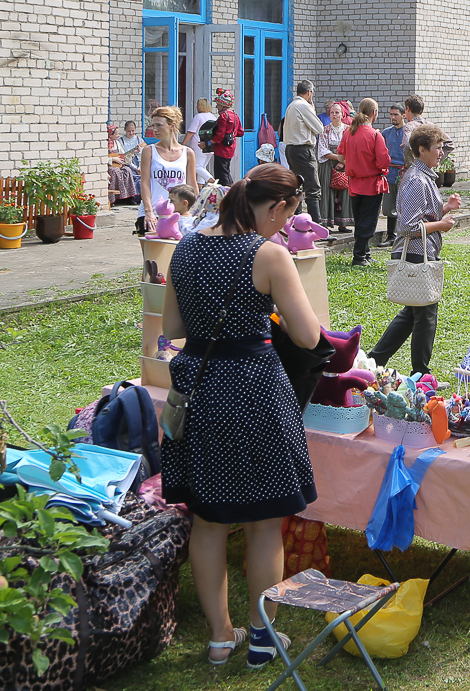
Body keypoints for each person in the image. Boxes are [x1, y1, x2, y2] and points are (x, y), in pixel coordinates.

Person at [158, 163, 323, 669]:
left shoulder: (186, 247)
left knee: (208, 520)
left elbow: (172, 326)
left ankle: (218, 637)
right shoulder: (268, 254)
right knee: (263, 523)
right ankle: (262, 637)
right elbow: (309, 336)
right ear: (277, 207)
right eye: (289, 215)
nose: (287, 224)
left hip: (199, 387)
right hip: (253, 389)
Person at [368, 124, 462, 375]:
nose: (441, 153)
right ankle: (421, 374)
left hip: (421, 252)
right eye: (437, 148)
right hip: (415, 253)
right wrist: (441, 225)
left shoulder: (424, 175)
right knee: (426, 315)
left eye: (441, 148)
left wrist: (445, 208)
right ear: (421, 150)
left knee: (412, 314)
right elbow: (408, 226)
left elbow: (422, 215)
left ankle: (374, 361)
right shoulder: (416, 179)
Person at [339, 98, 391, 265]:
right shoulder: (375, 135)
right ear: (374, 113)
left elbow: (341, 156)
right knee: (368, 222)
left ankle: (365, 253)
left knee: (360, 219)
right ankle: (359, 256)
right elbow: (383, 161)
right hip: (371, 184)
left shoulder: (348, 132)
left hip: (354, 183)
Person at [138, 106, 198, 236]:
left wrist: (196, 211)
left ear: (172, 125)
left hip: (178, 215)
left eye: (159, 125)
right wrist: (149, 212)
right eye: (153, 125)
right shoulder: (149, 151)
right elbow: (145, 183)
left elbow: (192, 185)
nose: (154, 129)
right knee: (152, 249)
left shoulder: (187, 153)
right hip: (153, 213)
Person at [281, 81, 325, 224]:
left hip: (291, 148)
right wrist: (312, 109)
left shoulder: (291, 105)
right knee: (312, 187)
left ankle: (296, 220)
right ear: (309, 92)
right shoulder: (303, 106)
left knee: (297, 184)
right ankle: (316, 223)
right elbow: (319, 128)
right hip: (303, 149)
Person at [316, 100, 351, 232]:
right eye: (332, 112)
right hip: (328, 165)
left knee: (344, 192)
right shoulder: (324, 130)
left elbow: (352, 148)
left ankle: (343, 223)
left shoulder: (348, 130)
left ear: (342, 114)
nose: (334, 115)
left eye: (337, 112)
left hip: (345, 164)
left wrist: (343, 162)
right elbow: (322, 150)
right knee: (327, 192)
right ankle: (326, 222)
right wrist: (338, 158)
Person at [380, 104, 407, 247]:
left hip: (404, 173)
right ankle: (390, 235)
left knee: (403, 206)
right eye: (391, 114)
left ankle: (403, 236)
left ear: (403, 115)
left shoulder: (409, 132)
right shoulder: (386, 133)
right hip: (389, 173)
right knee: (389, 206)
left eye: (396, 114)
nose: (393, 117)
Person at [208, 88, 242, 187]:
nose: (216, 106)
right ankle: (231, 188)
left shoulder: (223, 116)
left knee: (221, 174)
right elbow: (240, 132)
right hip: (230, 147)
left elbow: (220, 135)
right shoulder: (235, 116)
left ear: (223, 105)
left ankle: (226, 192)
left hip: (221, 148)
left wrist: (208, 143)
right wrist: (231, 134)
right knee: (226, 170)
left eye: (218, 104)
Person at [108, 123, 141, 206]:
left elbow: (123, 155)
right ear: (110, 134)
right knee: (115, 172)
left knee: (127, 170)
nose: (118, 136)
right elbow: (101, 158)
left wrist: (132, 153)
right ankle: (113, 198)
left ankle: (129, 197)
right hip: (109, 166)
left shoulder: (116, 143)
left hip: (118, 165)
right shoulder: (105, 144)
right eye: (116, 134)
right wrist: (112, 159)